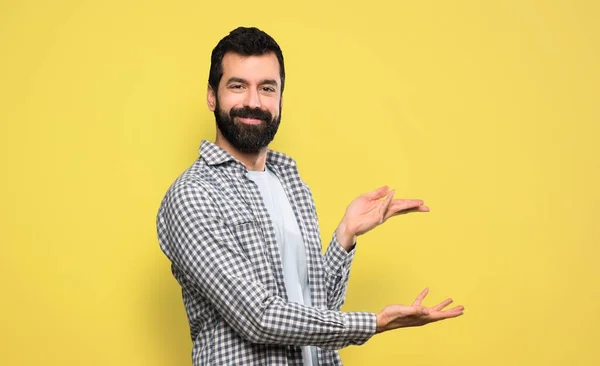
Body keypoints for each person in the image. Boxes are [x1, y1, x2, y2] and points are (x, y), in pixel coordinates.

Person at [156, 26, 464, 366]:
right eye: (237, 86)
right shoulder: (193, 194)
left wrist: (345, 235)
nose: (253, 102)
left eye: (267, 88)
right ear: (212, 96)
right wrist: (375, 323)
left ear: (281, 99)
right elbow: (259, 318)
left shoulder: (292, 185)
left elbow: (318, 311)